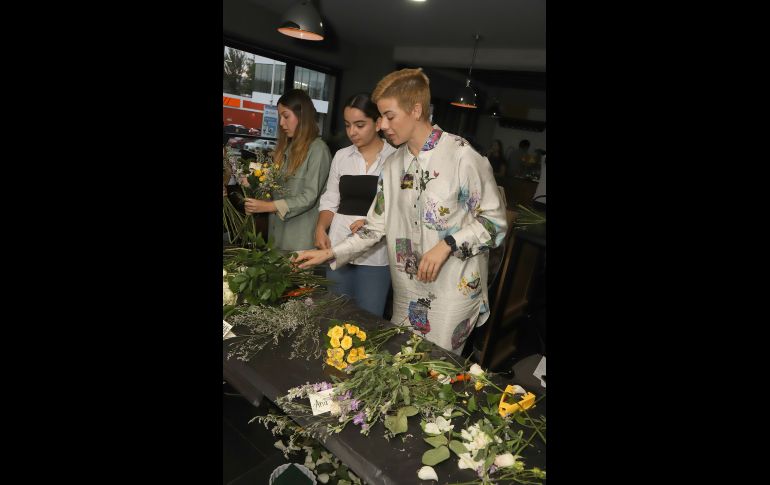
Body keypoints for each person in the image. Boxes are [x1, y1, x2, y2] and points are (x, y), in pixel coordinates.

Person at [294, 68, 508, 355]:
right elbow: (375, 225)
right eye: (380, 116)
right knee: (400, 363)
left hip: (453, 290)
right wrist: (329, 253)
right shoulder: (393, 165)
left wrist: (447, 244)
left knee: (435, 369)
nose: (381, 125)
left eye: (389, 116)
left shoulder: (462, 156)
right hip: (407, 288)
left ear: (416, 110)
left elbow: (495, 222)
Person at [315, 93, 397, 317]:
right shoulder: (341, 156)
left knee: (369, 318)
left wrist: (370, 222)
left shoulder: (396, 159)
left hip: (376, 253)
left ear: (378, 123)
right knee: (334, 314)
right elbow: (331, 199)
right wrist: (321, 227)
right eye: (348, 125)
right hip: (338, 244)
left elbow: (399, 209)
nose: (352, 132)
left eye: (360, 125)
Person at [242, 89, 332, 252]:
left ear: (302, 115)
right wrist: (253, 186)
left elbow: (309, 197)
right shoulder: (285, 149)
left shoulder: (318, 150)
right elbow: (277, 191)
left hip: (300, 242)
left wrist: (267, 207)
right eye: (280, 117)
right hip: (276, 238)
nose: (281, 123)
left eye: (286, 116)